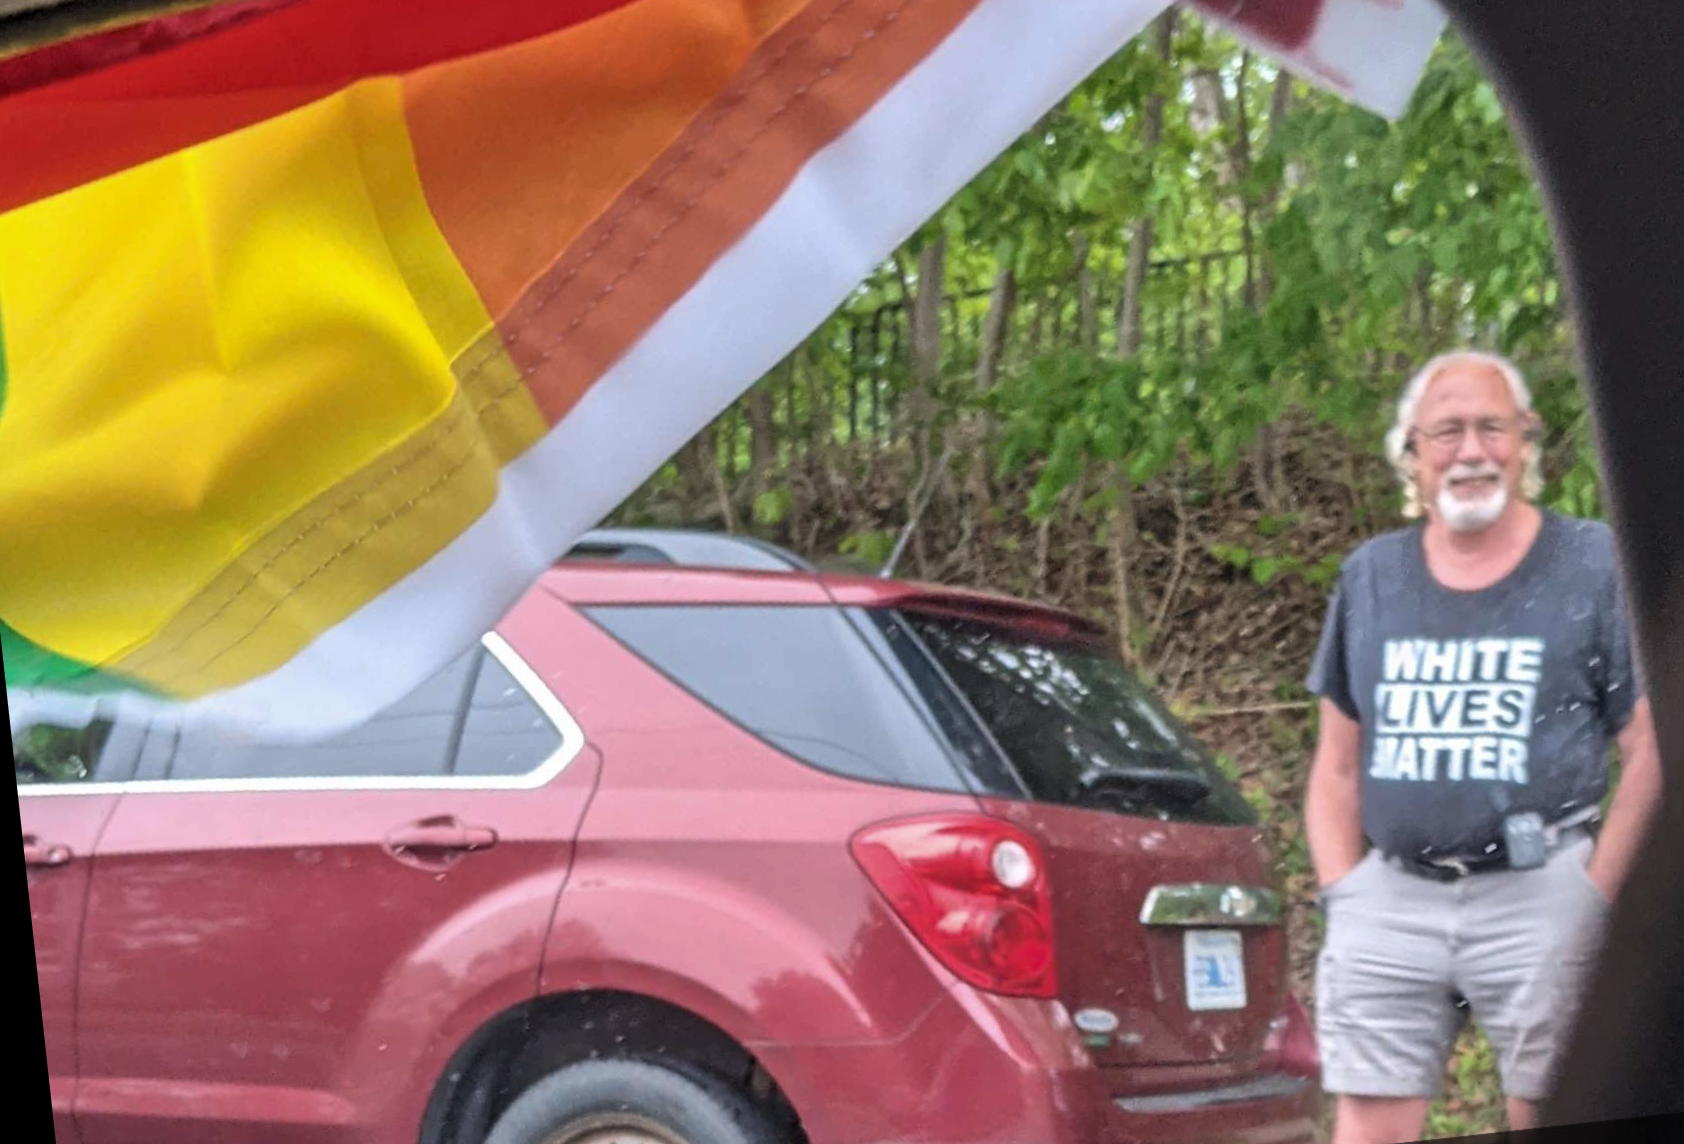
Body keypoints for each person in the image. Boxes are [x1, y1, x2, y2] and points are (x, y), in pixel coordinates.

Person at [1302, 349, 1662, 1144]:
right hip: (1389, 901)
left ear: (1526, 441)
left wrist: (1598, 894)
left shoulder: (1594, 563)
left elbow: (1653, 748)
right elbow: (1335, 761)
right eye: (1448, 432)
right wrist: (1345, 892)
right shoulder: (1372, 577)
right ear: (1415, 455)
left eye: (1491, 428)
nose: (1471, 451)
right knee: (1367, 1124)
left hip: (1543, 894)